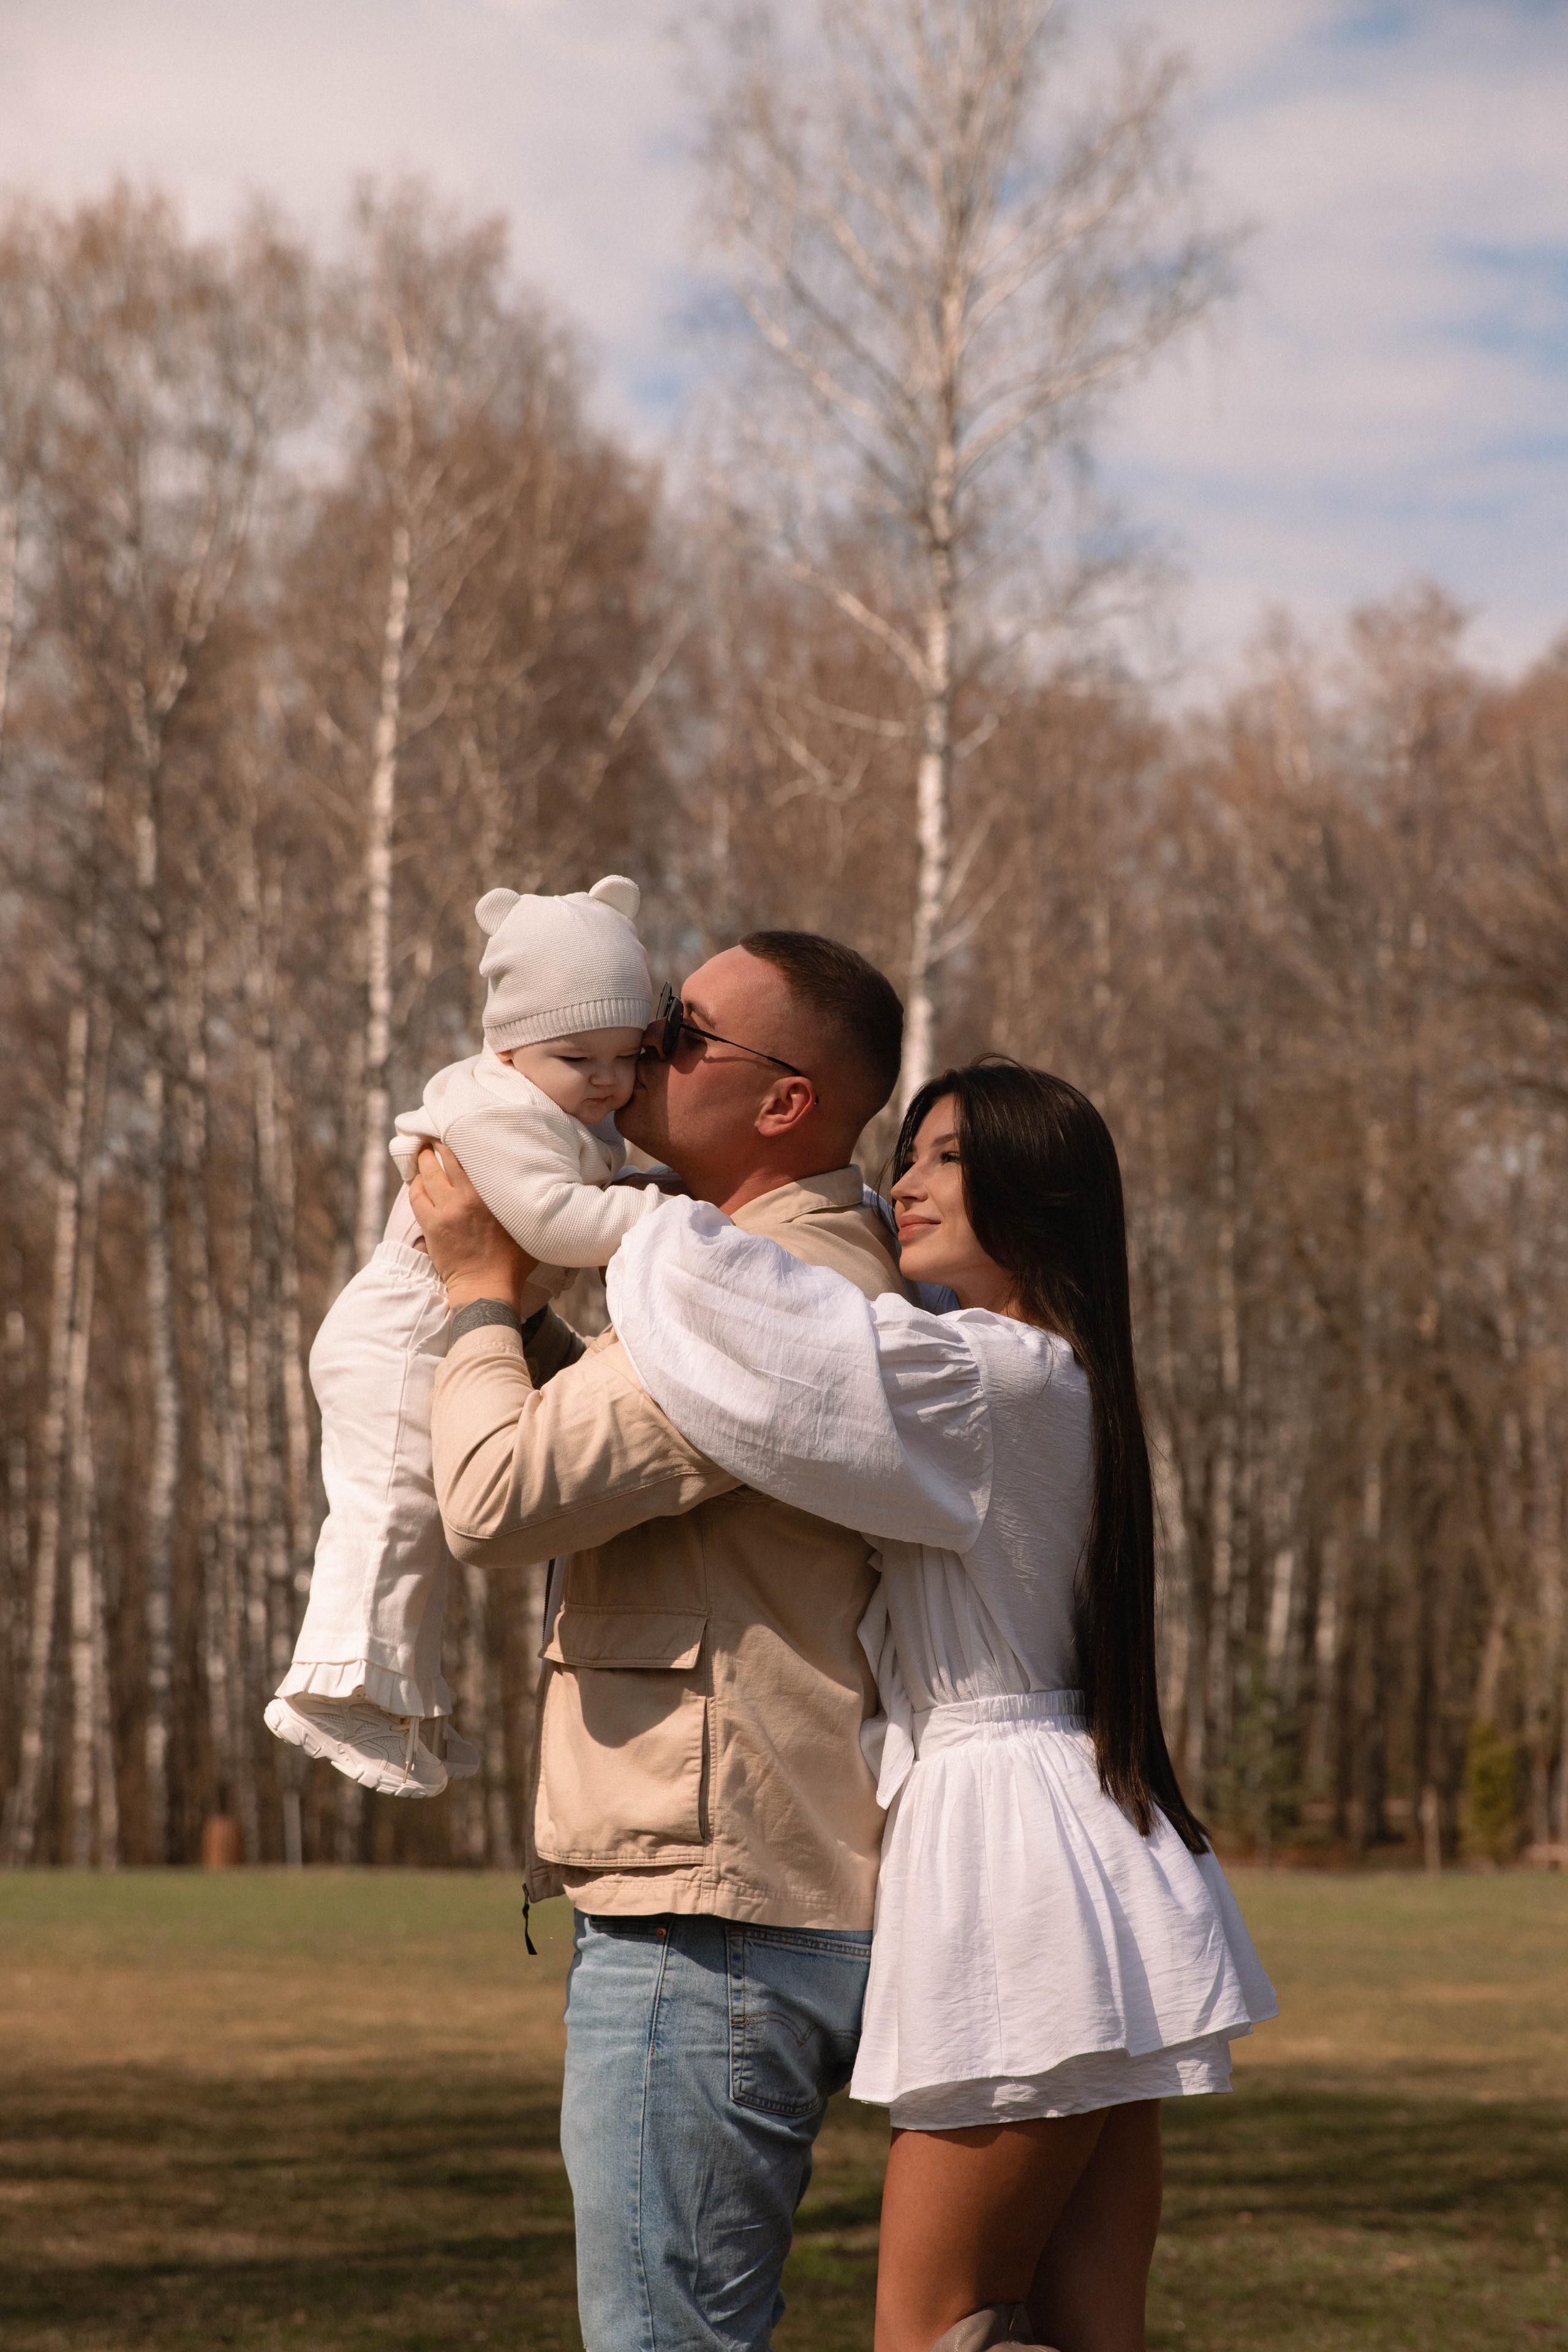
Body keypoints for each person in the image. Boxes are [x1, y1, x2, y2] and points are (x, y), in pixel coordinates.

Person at [604, 1060, 1278, 2352]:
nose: (897, 1184)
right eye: (904, 1155)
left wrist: (647, 1214)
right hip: (1075, 1844)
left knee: (929, 2325)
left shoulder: (981, 1377)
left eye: (942, 1157)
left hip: (1012, 1859)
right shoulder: (1058, 1372)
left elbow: (773, 1364)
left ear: (1040, 1189)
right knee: (1080, 2324)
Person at [413, 930, 910, 2352]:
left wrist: (471, 1295)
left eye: (686, 1036)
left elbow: (496, 1496)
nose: (641, 1046)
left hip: (711, 1919)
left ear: (785, 1103)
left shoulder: (771, 1290)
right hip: (733, 1890)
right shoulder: (749, 1271)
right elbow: (619, 1458)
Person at [265, 875, 665, 1798]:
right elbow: (559, 1223)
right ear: (509, 1043)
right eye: (577, 1057)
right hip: (405, 1327)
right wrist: (675, 1220)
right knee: (394, 1513)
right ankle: (332, 1691)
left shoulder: (552, 1107)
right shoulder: (495, 1111)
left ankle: (407, 1709)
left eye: (627, 1055)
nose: (607, 1080)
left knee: (426, 1529)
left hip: (440, 1321)